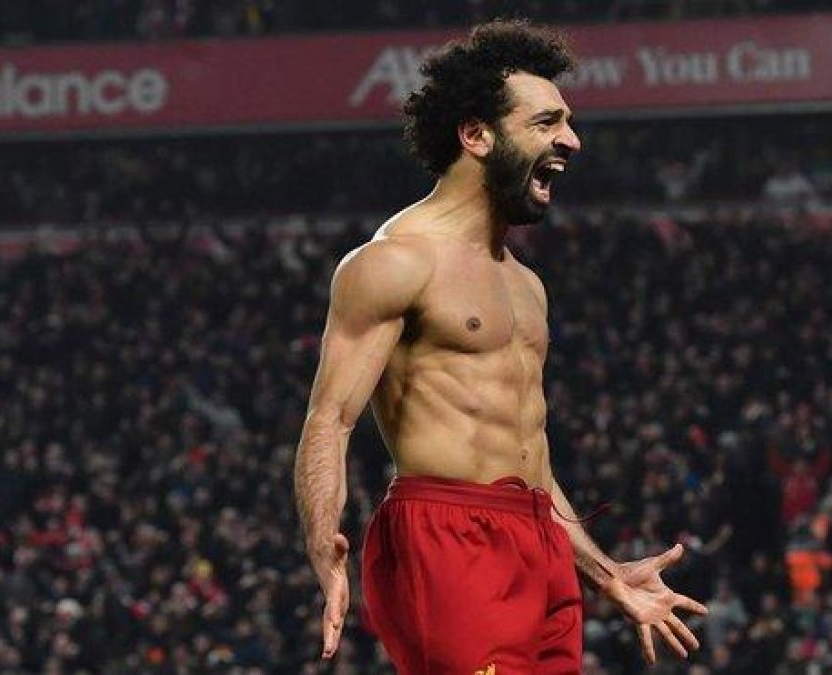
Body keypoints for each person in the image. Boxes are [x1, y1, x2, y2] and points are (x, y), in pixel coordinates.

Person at [293, 19, 707, 674]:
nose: (570, 139)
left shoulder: (526, 285)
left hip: (538, 536)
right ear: (476, 134)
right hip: (446, 534)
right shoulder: (395, 262)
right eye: (546, 122)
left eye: (567, 122)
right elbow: (330, 418)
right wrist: (321, 541)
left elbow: (529, 459)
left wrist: (606, 574)